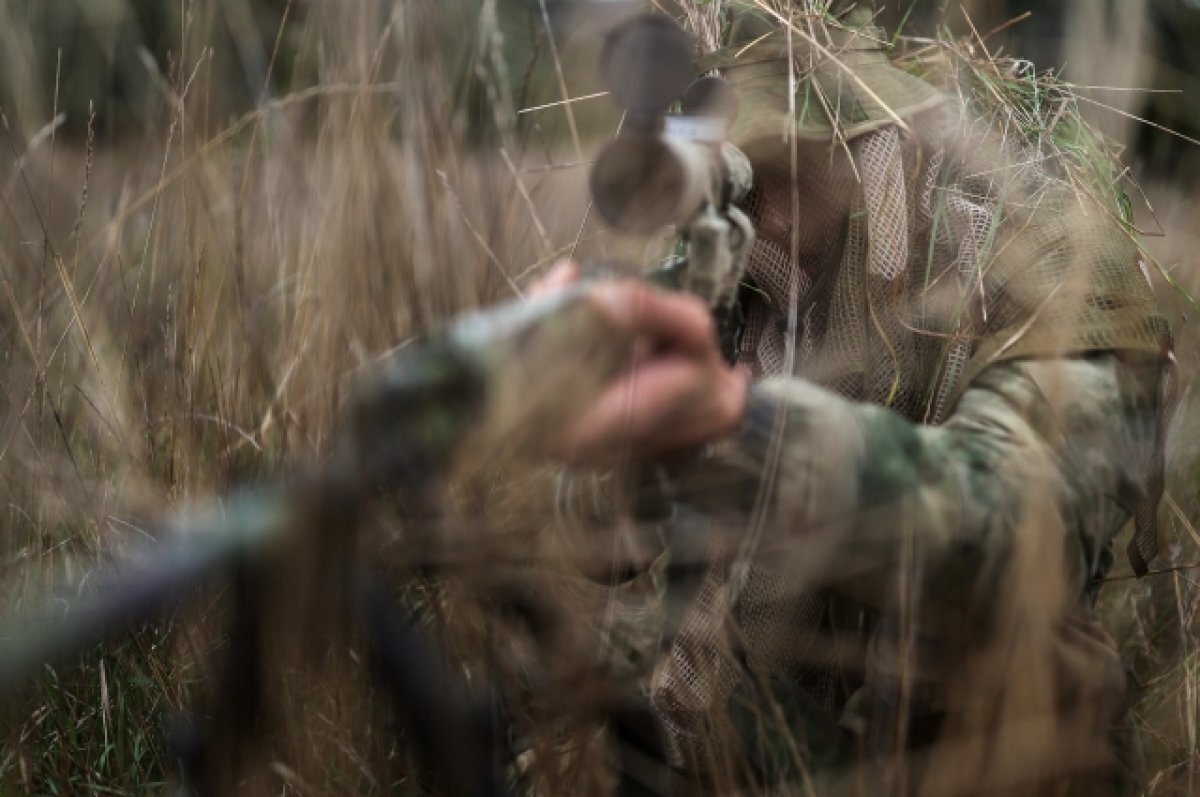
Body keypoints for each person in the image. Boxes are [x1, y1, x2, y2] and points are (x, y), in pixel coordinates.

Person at [539, 3, 1172, 795]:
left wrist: (744, 428)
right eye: (728, 166)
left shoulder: (1040, 253)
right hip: (748, 743)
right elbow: (599, 546)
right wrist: (609, 435)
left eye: (776, 157)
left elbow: (1021, 534)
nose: (748, 198)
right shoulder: (736, 257)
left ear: (866, 132)